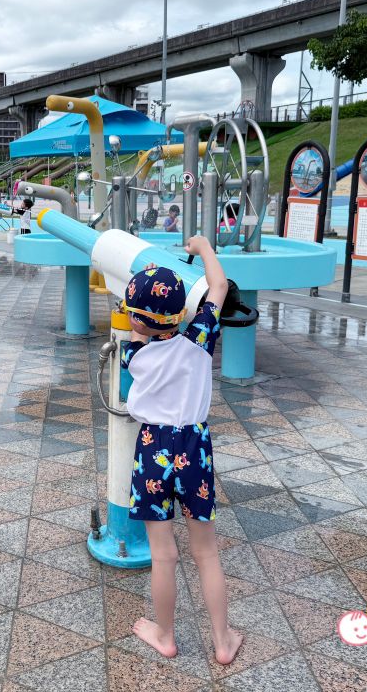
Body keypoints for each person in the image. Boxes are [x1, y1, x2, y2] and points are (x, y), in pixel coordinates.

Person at [120, 235, 242, 665]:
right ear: (181, 313)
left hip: (152, 447)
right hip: (194, 445)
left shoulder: (132, 354)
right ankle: (223, 641)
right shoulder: (198, 339)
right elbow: (219, 287)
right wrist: (204, 247)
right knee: (205, 552)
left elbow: (140, 327)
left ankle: (165, 635)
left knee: (163, 554)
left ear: (135, 319)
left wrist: (139, 319)